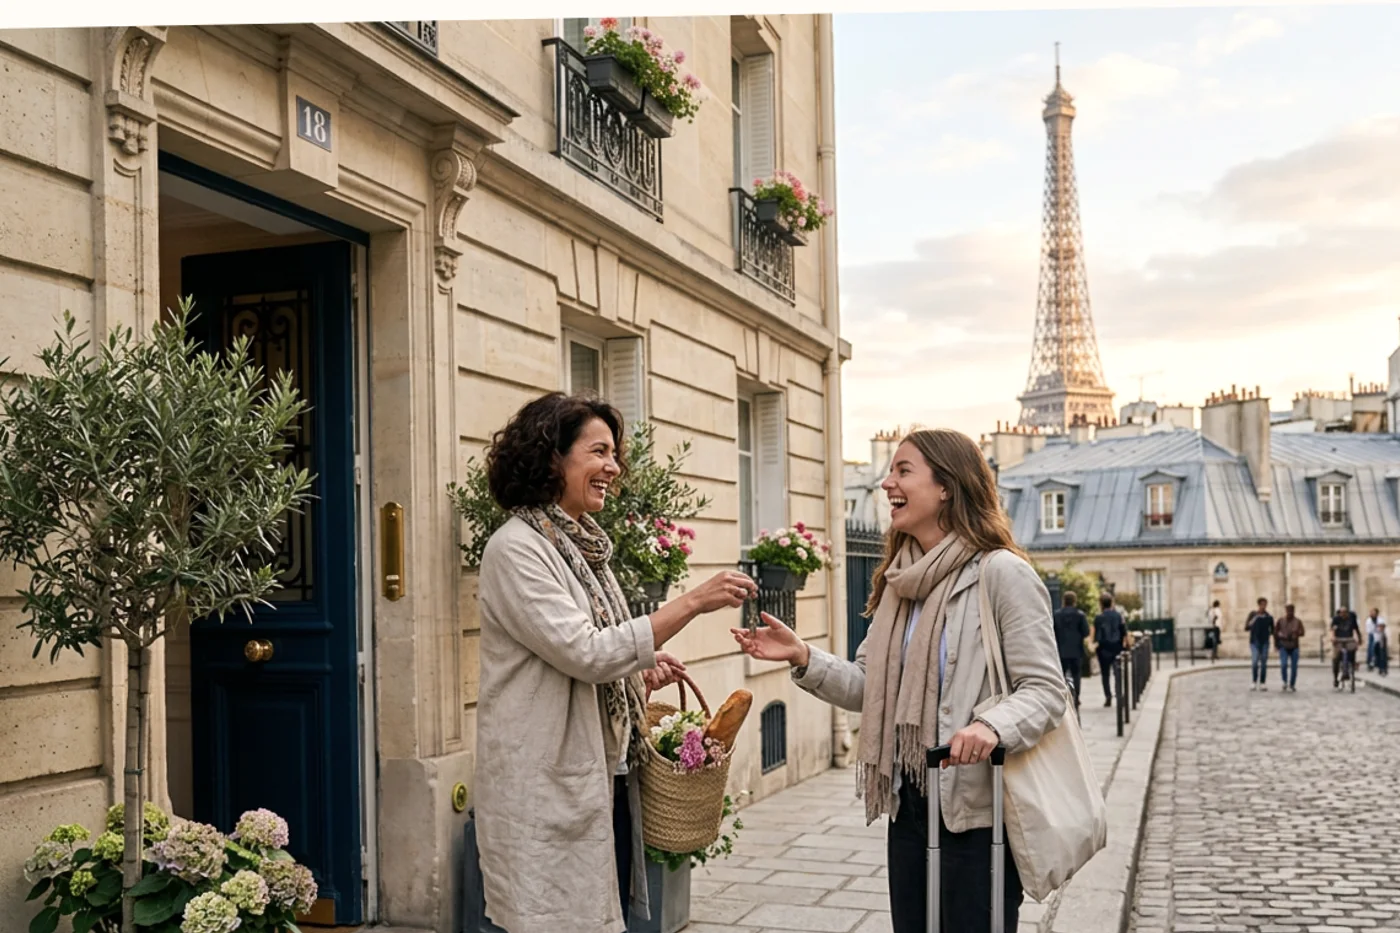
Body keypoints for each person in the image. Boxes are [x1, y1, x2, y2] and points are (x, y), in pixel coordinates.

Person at [731, 428, 1066, 933]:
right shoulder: (901, 583)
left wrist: (992, 726)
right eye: (889, 471)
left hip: (977, 811)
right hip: (908, 804)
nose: (887, 483)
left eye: (903, 471)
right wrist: (803, 656)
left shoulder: (1001, 575)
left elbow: (1045, 690)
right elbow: (871, 688)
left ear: (947, 486)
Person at [473, 392, 759, 933]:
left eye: (614, 454)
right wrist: (693, 602)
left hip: (604, 778)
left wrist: (637, 671)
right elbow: (585, 652)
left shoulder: (580, 549)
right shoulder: (516, 549)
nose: (613, 467)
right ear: (551, 458)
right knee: (552, 921)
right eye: (598, 452)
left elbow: (594, 652)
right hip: (545, 782)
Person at [1053, 591, 1090, 709]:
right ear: (1074, 601)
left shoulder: (1056, 615)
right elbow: (1086, 632)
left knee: (1061, 676)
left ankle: (1063, 697)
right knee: (1076, 675)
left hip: (1061, 651)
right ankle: (1076, 697)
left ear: (1063, 601)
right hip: (1076, 650)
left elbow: (1052, 632)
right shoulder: (1080, 615)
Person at [1093, 594, 1126, 707]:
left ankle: (1108, 696)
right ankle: (1119, 694)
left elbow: (1097, 635)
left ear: (1101, 604)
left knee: (1105, 674)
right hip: (1116, 647)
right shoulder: (1118, 616)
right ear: (1111, 603)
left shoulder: (1098, 617)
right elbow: (1123, 631)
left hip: (1103, 648)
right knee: (1118, 673)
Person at [1274, 604, 1305, 693]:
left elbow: (1303, 632)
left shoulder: (1298, 621)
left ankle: (1292, 684)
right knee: (1283, 664)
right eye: (1288, 611)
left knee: (1294, 667)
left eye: (1291, 611)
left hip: (1294, 646)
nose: (1290, 613)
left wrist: (1297, 633)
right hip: (1283, 645)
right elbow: (1275, 633)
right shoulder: (1280, 621)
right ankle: (1284, 681)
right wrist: (1276, 644)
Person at [1246, 598, 1274, 691]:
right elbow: (1247, 627)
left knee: (1264, 663)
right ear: (1258, 605)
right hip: (1254, 642)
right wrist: (1255, 618)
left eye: (1265, 604)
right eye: (1262, 604)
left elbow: (1272, 630)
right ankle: (1254, 681)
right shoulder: (1253, 615)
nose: (1263, 606)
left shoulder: (1269, 617)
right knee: (1254, 662)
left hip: (1265, 642)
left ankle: (1262, 682)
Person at [1331, 605, 1362, 690]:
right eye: (1341, 613)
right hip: (1339, 640)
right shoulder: (1336, 619)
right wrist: (1333, 637)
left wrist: (1359, 639)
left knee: (1352, 653)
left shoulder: (1351, 619)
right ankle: (1335, 677)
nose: (1343, 614)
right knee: (1336, 658)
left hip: (1349, 639)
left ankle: (1351, 668)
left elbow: (1356, 629)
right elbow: (1333, 630)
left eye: (1344, 613)